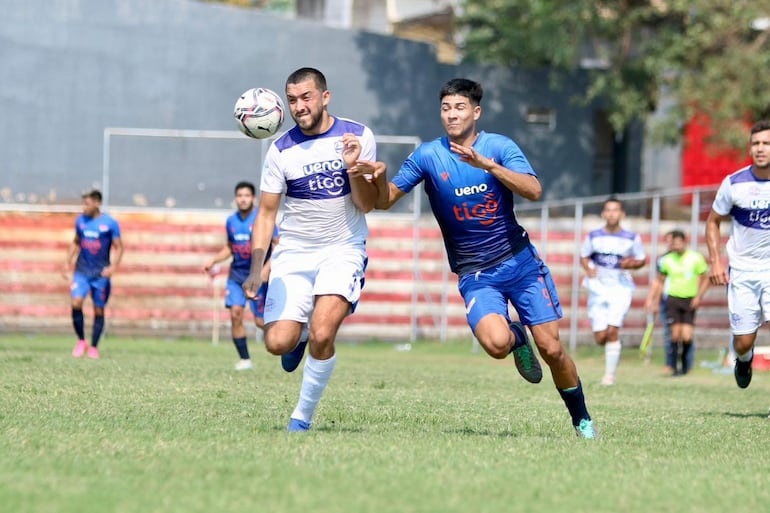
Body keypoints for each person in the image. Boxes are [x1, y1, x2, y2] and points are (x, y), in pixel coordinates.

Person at [361, 78, 597, 439]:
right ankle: (518, 338)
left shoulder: (499, 147)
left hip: (520, 263)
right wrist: (377, 178)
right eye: (445, 108)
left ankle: (582, 419)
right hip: (475, 273)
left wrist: (490, 166)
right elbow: (383, 201)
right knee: (496, 344)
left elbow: (534, 190)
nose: (451, 114)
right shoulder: (428, 155)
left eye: (459, 107)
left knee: (552, 349)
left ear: (476, 111)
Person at [242, 67, 378, 432]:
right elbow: (267, 213)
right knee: (276, 342)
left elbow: (366, 204)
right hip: (295, 253)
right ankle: (296, 337)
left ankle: (301, 417)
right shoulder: (280, 150)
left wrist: (353, 170)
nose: (299, 106)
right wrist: (257, 268)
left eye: (306, 97)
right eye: (292, 100)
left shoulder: (358, 136)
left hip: (343, 248)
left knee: (323, 332)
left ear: (325, 97)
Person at [706, 119, 770, 389]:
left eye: (766, 143)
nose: (760, 148)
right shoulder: (734, 183)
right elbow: (712, 221)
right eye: (755, 143)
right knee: (743, 340)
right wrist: (716, 262)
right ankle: (743, 359)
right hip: (742, 270)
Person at [203, 181, 279, 370]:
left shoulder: (262, 219)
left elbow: (278, 245)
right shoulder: (231, 221)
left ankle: (288, 344)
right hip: (236, 276)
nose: (243, 199)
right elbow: (230, 247)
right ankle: (245, 360)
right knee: (235, 314)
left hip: (257, 278)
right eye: (239, 196)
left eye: (246, 196)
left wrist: (264, 271)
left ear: (253, 198)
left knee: (261, 321)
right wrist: (214, 260)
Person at [580, 197, 646, 385]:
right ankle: (609, 350)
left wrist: (631, 264)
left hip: (620, 288)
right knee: (601, 337)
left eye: (615, 210)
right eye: (608, 210)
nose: (611, 213)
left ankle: (609, 375)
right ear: (603, 213)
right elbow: (584, 257)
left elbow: (641, 259)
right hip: (598, 288)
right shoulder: (593, 236)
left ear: (622, 214)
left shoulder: (632, 238)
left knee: (612, 331)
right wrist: (588, 268)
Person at [62, 189, 124, 359]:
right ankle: (81, 341)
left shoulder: (110, 223)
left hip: (100, 274)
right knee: (76, 303)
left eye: (87, 204)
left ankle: (94, 347)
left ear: (97, 203)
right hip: (81, 271)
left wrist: (113, 267)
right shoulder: (80, 221)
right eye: (83, 204)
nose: (84, 208)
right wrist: (67, 263)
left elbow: (119, 247)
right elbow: (76, 243)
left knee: (99, 310)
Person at [644, 229, 710, 375]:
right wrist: (655, 301)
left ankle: (686, 363)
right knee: (674, 335)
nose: (677, 245)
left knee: (686, 336)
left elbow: (706, 278)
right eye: (674, 242)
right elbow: (660, 281)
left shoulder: (696, 258)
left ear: (685, 242)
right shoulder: (667, 260)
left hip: (689, 300)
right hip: (672, 300)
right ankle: (674, 367)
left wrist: (699, 296)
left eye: (679, 242)